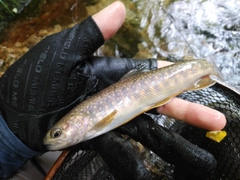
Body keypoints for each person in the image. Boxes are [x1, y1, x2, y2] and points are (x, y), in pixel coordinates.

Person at [0, 1, 226, 179]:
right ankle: (204, 66)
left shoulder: (87, 125)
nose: (53, 137)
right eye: (57, 133)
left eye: (57, 133)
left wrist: (7, 136)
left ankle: (204, 67)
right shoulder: (79, 127)